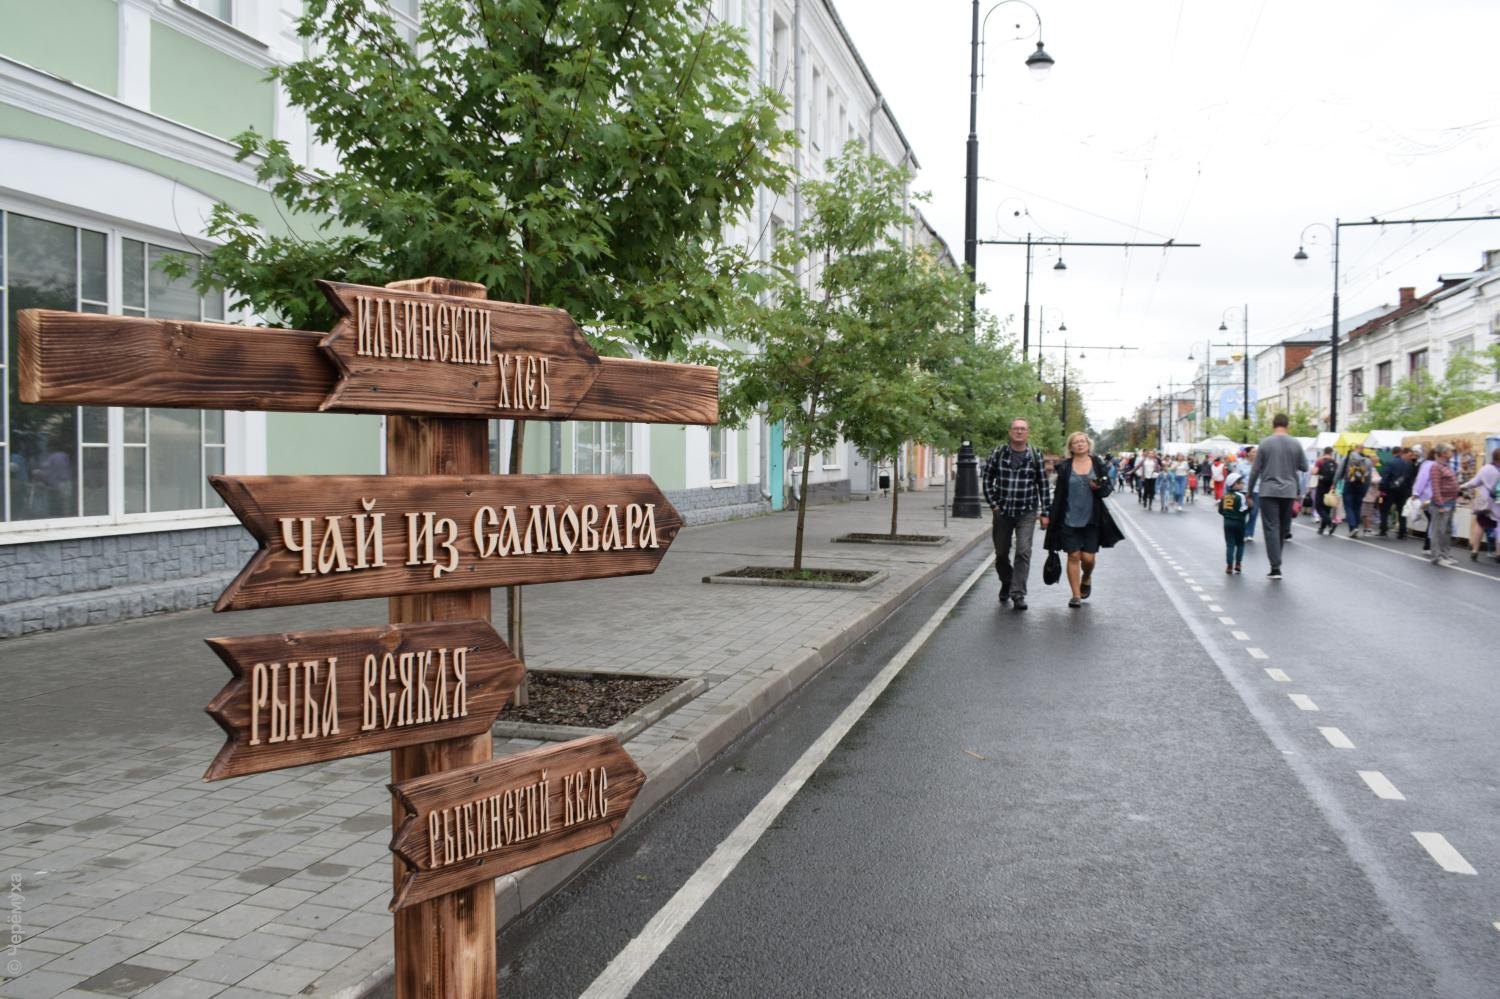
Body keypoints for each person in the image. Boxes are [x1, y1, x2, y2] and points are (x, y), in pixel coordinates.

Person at [1043, 431, 1124, 608]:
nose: (1080, 444)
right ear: (1071, 447)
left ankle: (1086, 577)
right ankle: (1076, 595)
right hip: (1068, 518)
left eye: (1082, 441)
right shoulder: (1064, 467)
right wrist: (1048, 514)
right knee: (1073, 555)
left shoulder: (1097, 464)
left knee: (1088, 558)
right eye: (1076, 442)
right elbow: (1056, 493)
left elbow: (1107, 488)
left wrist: (1098, 486)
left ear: (1088, 445)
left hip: (1091, 519)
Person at [982, 417, 1050, 612]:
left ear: (1028, 432)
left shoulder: (1035, 455)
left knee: (1023, 551)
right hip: (1002, 512)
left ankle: (1018, 593)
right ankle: (1007, 581)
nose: (1019, 431)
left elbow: (1043, 485)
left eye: (1023, 429)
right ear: (1010, 432)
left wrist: (1045, 512)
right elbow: (987, 480)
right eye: (1016, 428)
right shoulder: (998, 453)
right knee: (1001, 553)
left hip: (1026, 512)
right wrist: (994, 505)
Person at [1247, 413, 1308, 580]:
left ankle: (1275, 567)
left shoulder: (1265, 443)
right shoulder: (1295, 443)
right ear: (1287, 425)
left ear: (1273, 425)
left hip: (1268, 491)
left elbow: (1255, 470)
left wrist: (1249, 492)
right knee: (1282, 527)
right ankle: (1277, 561)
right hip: (1288, 491)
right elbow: (1304, 466)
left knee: (1271, 527)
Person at [1460, 447, 1500, 562]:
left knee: (1480, 524)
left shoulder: (1486, 468)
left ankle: (1474, 551)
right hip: (1497, 504)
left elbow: (1474, 482)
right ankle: (1498, 554)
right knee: (1498, 527)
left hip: (1485, 502)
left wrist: (1462, 486)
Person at [1427, 442, 1459, 566]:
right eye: (1450, 451)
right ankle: (1437, 556)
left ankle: (1445, 554)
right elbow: (1435, 487)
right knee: (1438, 531)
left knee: (1447, 530)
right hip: (1442, 504)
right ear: (1444, 453)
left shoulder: (1446, 465)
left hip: (1450, 502)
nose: (1452, 453)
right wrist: (1440, 505)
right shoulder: (1436, 466)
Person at [1337, 442, 1375, 537]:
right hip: (1362, 485)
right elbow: (1369, 477)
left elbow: (1339, 471)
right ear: (1363, 449)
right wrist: (1366, 488)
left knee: (1348, 506)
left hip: (1349, 483)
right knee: (1357, 507)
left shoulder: (1347, 458)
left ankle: (1353, 527)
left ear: (1355, 448)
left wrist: (1334, 483)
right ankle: (1356, 528)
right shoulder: (1367, 460)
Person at [1377, 446, 1414, 538]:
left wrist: (1381, 489)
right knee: (1401, 511)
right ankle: (1402, 531)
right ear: (1400, 453)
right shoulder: (1407, 463)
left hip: (1389, 490)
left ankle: (1383, 529)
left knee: (1384, 510)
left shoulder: (1389, 462)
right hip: (1402, 491)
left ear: (1392, 453)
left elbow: (1385, 476)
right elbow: (1408, 479)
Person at [1219, 471, 1248, 575]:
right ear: (1235, 484)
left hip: (1227, 522)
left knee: (1230, 545)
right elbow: (1243, 510)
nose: (1243, 484)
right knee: (1240, 543)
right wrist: (1249, 508)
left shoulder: (1224, 496)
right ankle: (1238, 564)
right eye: (1241, 482)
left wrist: (1227, 515)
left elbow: (1220, 510)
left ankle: (1229, 566)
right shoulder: (1241, 496)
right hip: (1239, 523)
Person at [1312, 446, 1338, 535]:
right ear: (1331, 453)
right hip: (1330, 487)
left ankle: (1331, 523)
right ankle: (1322, 528)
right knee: (1327, 508)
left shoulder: (1320, 461)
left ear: (1324, 452)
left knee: (1318, 506)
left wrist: (1315, 471)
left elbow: (1314, 472)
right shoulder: (1335, 462)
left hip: (1321, 486)